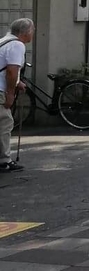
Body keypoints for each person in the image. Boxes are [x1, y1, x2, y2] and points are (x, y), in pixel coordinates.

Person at [0, 18, 34, 172]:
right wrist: (10, 93)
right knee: (4, 124)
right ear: (24, 32)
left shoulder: (3, 41)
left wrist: (17, 82)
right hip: (0, 90)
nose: (32, 34)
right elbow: (11, 71)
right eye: (31, 31)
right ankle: (4, 161)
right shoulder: (17, 45)